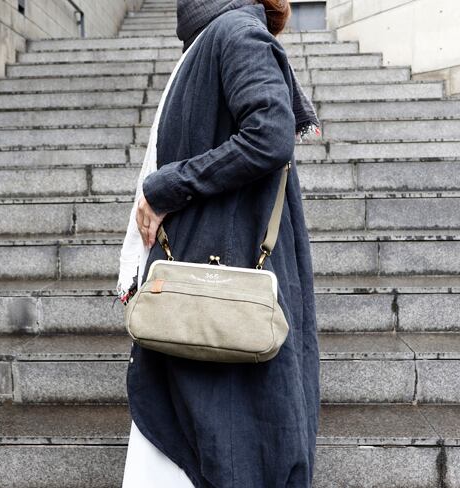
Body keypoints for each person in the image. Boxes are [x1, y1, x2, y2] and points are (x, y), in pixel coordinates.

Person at [120, 1, 321, 486]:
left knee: (223, 443)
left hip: (222, 277)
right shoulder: (216, 36)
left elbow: (270, 134)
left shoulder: (235, 32)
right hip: (210, 272)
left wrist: (167, 186)